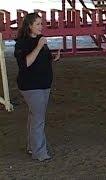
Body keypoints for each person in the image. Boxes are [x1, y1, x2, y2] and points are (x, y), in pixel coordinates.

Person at [14, 13, 60, 161]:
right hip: (31, 86)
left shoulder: (41, 40)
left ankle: (32, 146)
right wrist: (39, 46)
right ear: (29, 26)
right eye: (38, 24)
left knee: (34, 116)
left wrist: (53, 57)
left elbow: (44, 58)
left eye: (41, 23)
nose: (42, 27)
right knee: (38, 119)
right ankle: (39, 152)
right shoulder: (21, 43)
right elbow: (25, 63)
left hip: (44, 84)